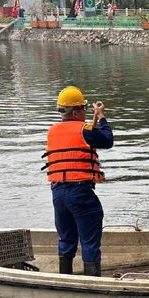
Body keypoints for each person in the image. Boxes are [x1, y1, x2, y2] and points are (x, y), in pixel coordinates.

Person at [43, 86, 114, 277]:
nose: (85, 112)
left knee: (66, 239)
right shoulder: (85, 130)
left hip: (58, 193)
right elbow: (108, 140)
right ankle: (92, 283)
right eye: (83, 108)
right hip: (80, 193)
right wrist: (101, 117)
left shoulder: (52, 132)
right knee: (90, 241)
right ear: (75, 112)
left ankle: (65, 279)